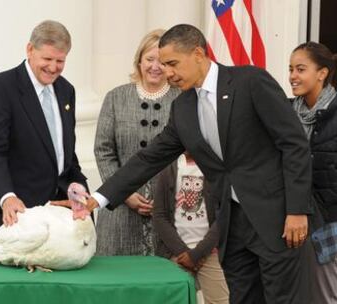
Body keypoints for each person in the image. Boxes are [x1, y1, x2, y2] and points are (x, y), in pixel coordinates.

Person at [84, 24, 313, 304]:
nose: (167, 72)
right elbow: (150, 158)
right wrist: (98, 197)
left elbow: (294, 144)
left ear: (197, 54)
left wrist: (297, 210)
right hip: (232, 226)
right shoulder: (182, 108)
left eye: (172, 63)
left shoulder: (250, 81)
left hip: (278, 220)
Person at [0, 20, 87, 235]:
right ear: (29, 50)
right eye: (47, 58)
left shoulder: (66, 90)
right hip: (19, 215)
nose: (53, 67)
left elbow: (65, 154)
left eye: (60, 61)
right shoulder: (1, 87)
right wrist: (6, 197)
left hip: (63, 215)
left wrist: (79, 189)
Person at [94, 29, 180, 256]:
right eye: (150, 59)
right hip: (118, 209)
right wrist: (123, 193)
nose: (155, 66)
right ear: (139, 61)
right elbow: (103, 150)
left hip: (168, 209)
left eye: (162, 61)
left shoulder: (183, 98)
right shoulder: (116, 97)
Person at [289, 41, 337, 304]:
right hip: (290, 219)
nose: (293, 76)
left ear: (322, 73)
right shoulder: (284, 111)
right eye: (291, 69)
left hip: (329, 219)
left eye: (300, 69)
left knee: (326, 293)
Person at [153, 152, 229, 303]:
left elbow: (224, 214)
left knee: (220, 300)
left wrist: (197, 254)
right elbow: (159, 215)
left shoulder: (217, 166)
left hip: (210, 253)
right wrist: (184, 253)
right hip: (175, 255)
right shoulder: (168, 168)